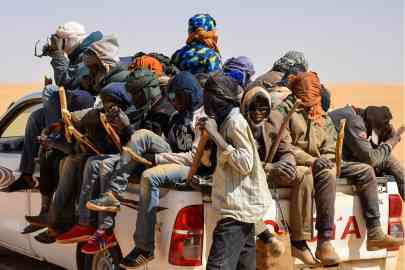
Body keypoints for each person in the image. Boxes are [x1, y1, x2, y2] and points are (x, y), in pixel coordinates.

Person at [279, 71, 404, 265]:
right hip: (300, 165)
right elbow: (284, 147)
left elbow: (330, 146)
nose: (313, 106)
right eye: (308, 101)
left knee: (365, 170)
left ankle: (374, 231)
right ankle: (324, 241)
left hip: (325, 162)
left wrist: (327, 158)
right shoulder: (286, 114)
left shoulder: (323, 117)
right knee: (327, 173)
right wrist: (312, 161)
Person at [81, 72, 204, 261]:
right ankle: (105, 214)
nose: (173, 101)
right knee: (137, 139)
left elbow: (192, 158)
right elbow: (164, 141)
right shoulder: (177, 116)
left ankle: (144, 247)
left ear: (189, 94)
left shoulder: (201, 118)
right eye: (170, 97)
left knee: (149, 175)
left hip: (191, 165)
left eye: (176, 96)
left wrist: (156, 158)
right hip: (171, 155)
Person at [28, 83, 132, 244]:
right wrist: (62, 127)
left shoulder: (121, 116)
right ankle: (57, 219)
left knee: (77, 161)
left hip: (112, 159)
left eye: (109, 103)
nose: (106, 107)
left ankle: (71, 222)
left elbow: (83, 147)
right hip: (92, 157)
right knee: (66, 160)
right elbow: (78, 121)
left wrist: (55, 143)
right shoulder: (97, 114)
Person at [7, 22, 103, 193]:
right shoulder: (77, 56)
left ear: (70, 39)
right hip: (72, 110)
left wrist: (58, 55)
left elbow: (66, 82)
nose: (58, 44)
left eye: (61, 40)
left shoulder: (90, 55)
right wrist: (56, 55)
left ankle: (55, 140)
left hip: (84, 113)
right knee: (35, 117)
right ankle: (27, 174)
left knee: (50, 90)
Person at [190, 73, 270, 270]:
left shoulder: (234, 122)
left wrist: (216, 136)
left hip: (237, 210)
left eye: (208, 97)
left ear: (218, 98)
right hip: (241, 209)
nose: (205, 103)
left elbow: (245, 164)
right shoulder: (225, 120)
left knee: (218, 267)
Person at [241, 86, 318, 265]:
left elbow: (286, 149)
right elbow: (239, 164)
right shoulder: (237, 124)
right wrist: (270, 167)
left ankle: (299, 241)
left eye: (263, 108)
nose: (259, 113)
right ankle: (264, 236)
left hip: (272, 171)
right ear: (245, 107)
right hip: (246, 175)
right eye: (254, 108)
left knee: (304, 173)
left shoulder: (275, 119)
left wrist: (287, 163)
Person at [329, 105, 405, 200]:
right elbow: (371, 159)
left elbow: (368, 146)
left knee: (386, 160)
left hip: (339, 156)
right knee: (389, 161)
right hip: (334, 162)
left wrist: (383, 137)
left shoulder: (359, 116)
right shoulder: (355, 122)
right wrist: (391, 142)